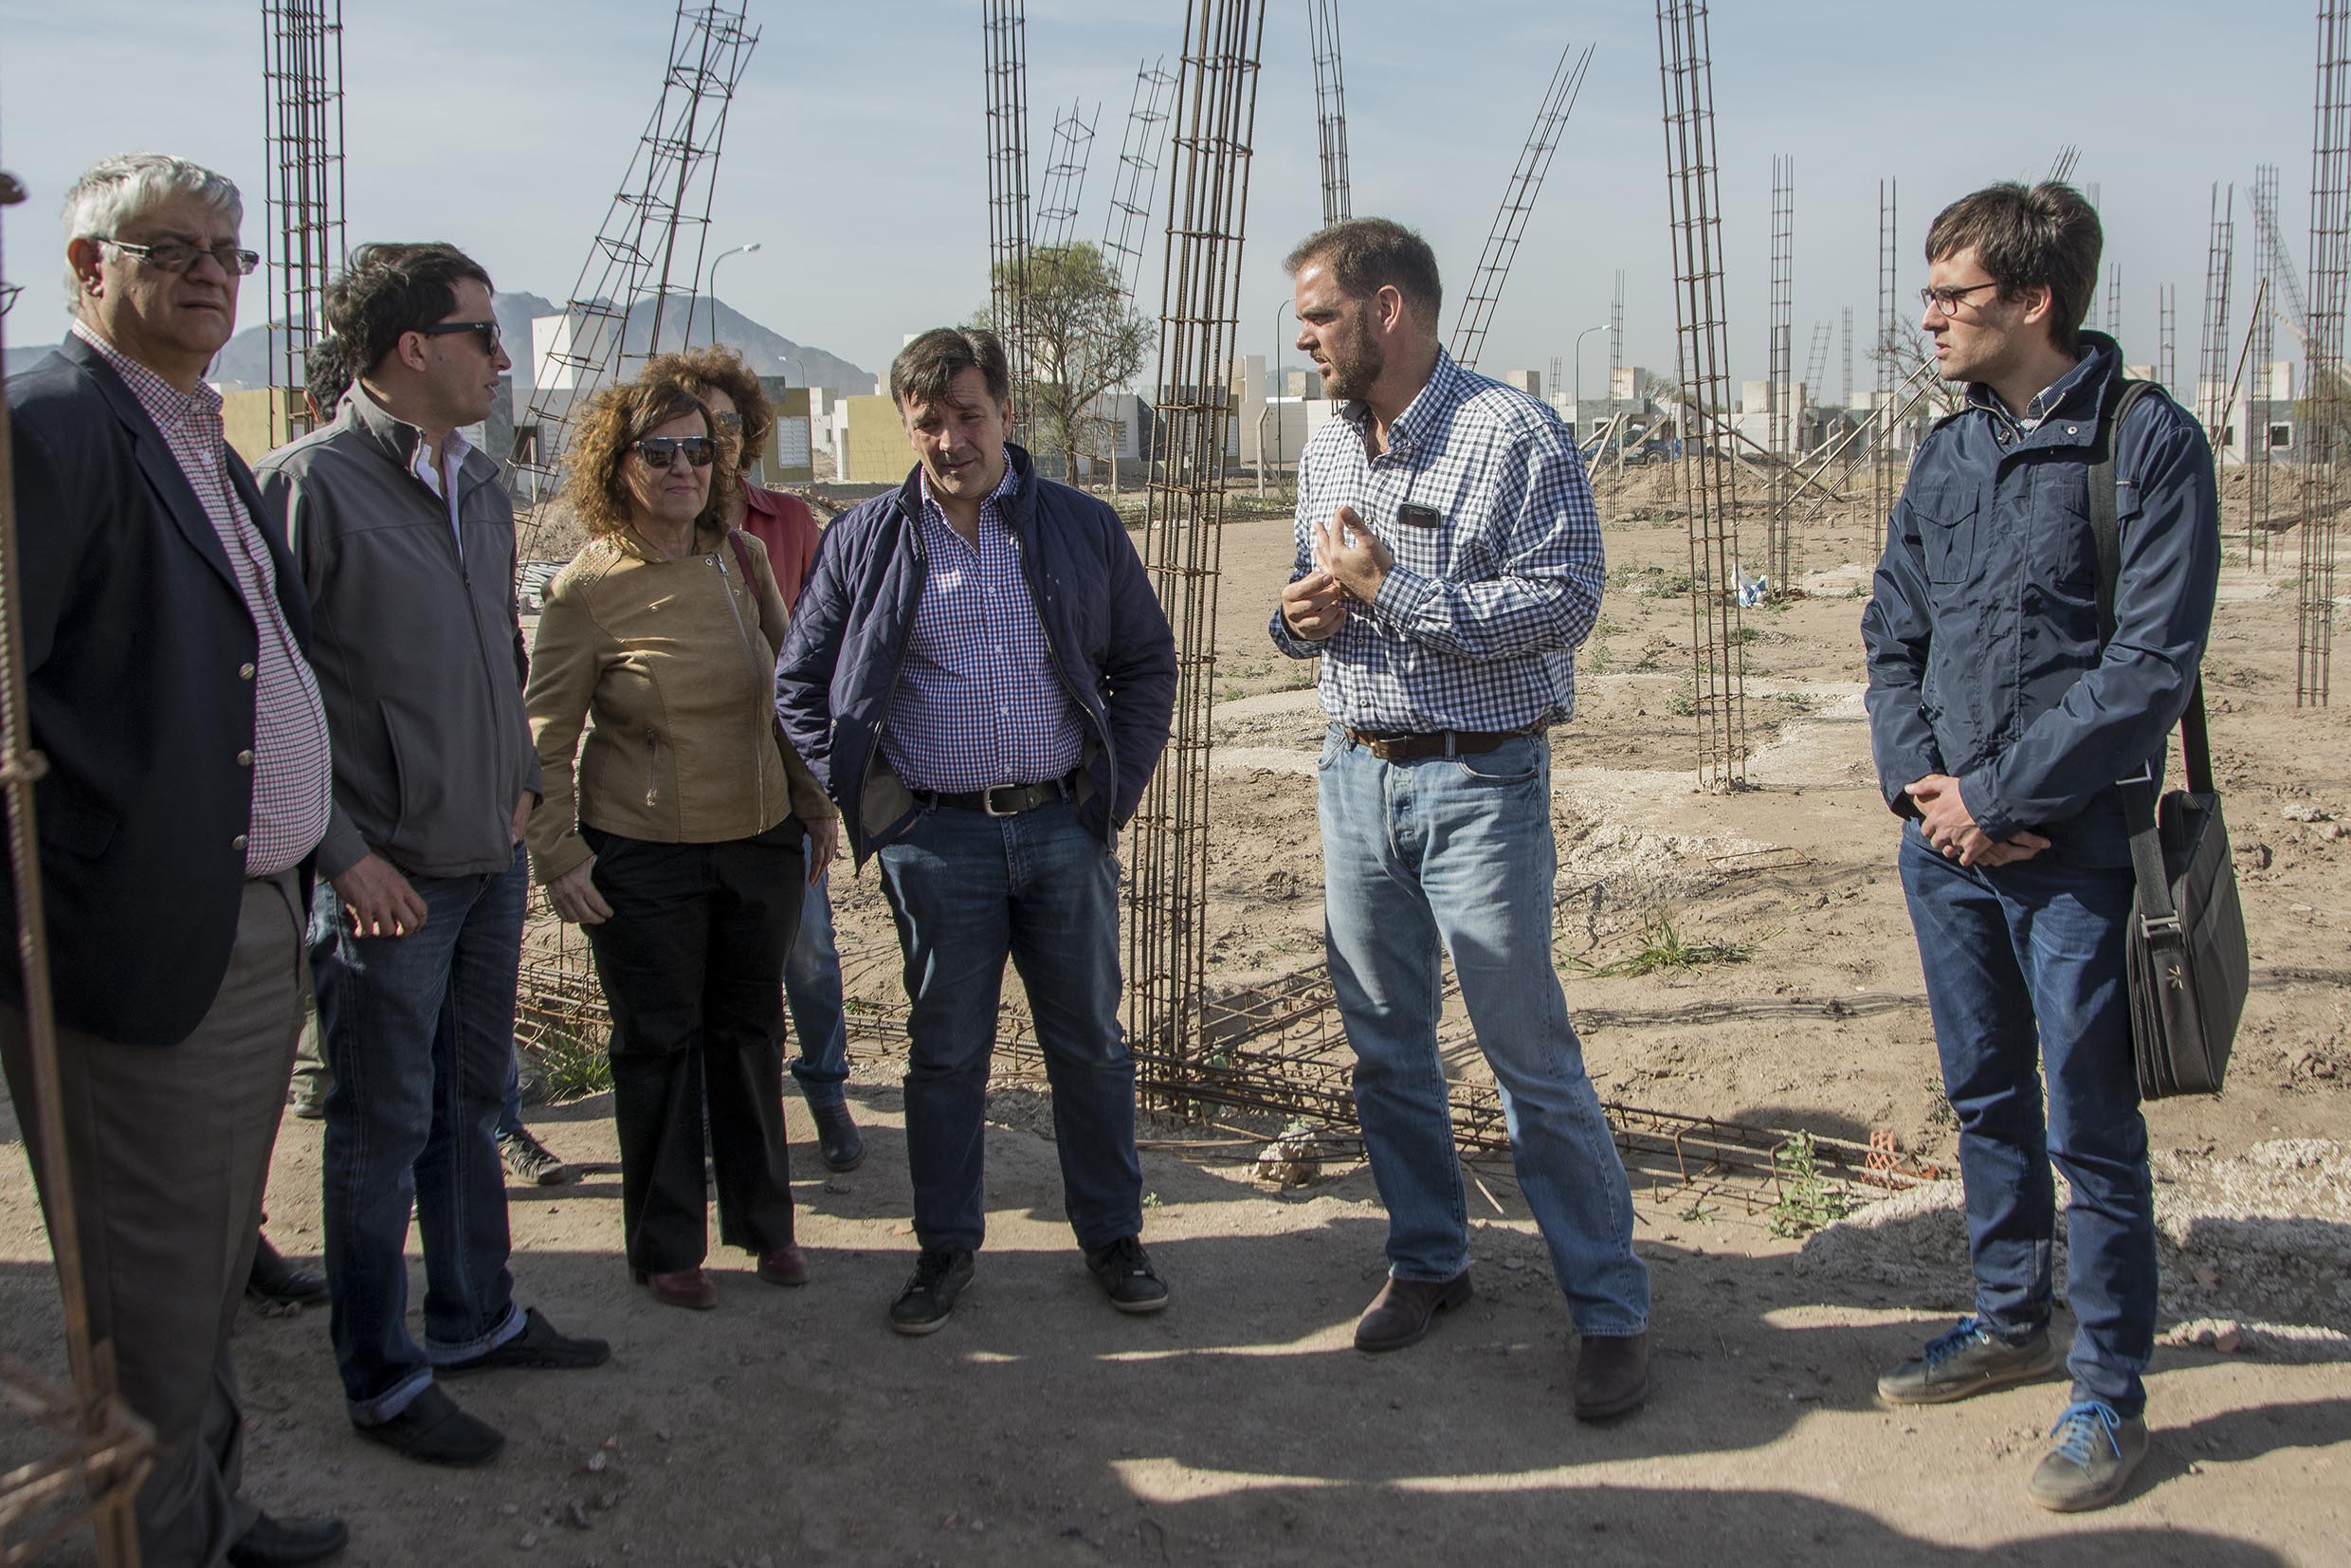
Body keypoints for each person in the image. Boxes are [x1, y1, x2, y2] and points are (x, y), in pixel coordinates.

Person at [2, 151, 346, 1568]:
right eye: (171, 247)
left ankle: (207, 1516)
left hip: (253, 913)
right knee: (147, 1292)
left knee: (203, 1264)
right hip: (139, 940)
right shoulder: (51, 427)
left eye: (229, 250)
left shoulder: (201, 435)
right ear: (91, 269)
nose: (211, 271)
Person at [1861, 181, 2219, 1512]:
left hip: (2074, 855)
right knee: (1985, 1095)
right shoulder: (1947, 449)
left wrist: (2001, 794)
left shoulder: (2148, 444)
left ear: (2034, 300)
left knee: (2094, 1124)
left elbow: (2145, 671)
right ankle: (2011, 1317)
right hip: (1946, 849)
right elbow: (1891, 625)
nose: (1932, 316)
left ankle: (2109, 1388)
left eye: (1954, 295)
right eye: (1931, 293)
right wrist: (1922, 787)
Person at [1267, 218, 1650, 1419]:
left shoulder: (1508, 434)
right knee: (1384, 1042)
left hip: (1478, 782)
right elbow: (1305, 596)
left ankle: (1607, 1310)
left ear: (1387, 309)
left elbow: (1563, 600)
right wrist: (1302, 620)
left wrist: (1395, 590)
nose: (1305, 341)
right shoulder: (1328, 448)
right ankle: (1429, 1260)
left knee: (1525, 1052)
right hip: (1353, 773)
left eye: (1319, 316)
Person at [258, 242, 608, 1470]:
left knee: (469, 1105)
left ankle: (473, 1316)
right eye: (483, 335)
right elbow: (269, 697)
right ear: (413, 349)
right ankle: (384, 1375)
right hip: (386, 880)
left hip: (485, 858)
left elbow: (491, 662)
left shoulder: (479, 488)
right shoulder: (308, 487)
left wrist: (518, 781)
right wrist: (344, 857)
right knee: (377, 1125)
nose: (502, 360)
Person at [776, 326, 1176, 1335]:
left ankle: (1112, 1236)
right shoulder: (864, 538)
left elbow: (1145, 666)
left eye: (967, 416)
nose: (950, 439)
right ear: (906, 428)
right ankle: (945, 1248)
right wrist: (879, 807)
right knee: (944, 1053)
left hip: (1059, 830)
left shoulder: (1079, 527)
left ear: (1005, 413)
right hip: (934, 843)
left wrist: (1109, 796)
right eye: (928, 423)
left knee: (1087, 1042)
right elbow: (801, 685)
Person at [523, 372, 836, 1311]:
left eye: (700, 451)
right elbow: (545, 734)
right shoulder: (585, 588)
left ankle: (763, 1225)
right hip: (642, 854)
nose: (683, 469)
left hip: (758, 845)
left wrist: (813, 807)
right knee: (658, 1042)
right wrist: (559, 852)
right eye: (658, 452)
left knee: (748, 1034)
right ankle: (666, 1245)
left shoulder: (740, 561)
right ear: (616, 468)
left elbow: (789, 696)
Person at [651, 345, 863, 1173]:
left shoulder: (790, 525)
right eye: (692, 432)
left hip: (783, 778)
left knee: (808, 951)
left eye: (727, 427)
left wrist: (818, 783)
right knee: (709, 965)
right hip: (690, 788)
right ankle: (726, 1109)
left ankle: (828, 1091)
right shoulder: (649, 541)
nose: (712, 446)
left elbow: (823, 651)